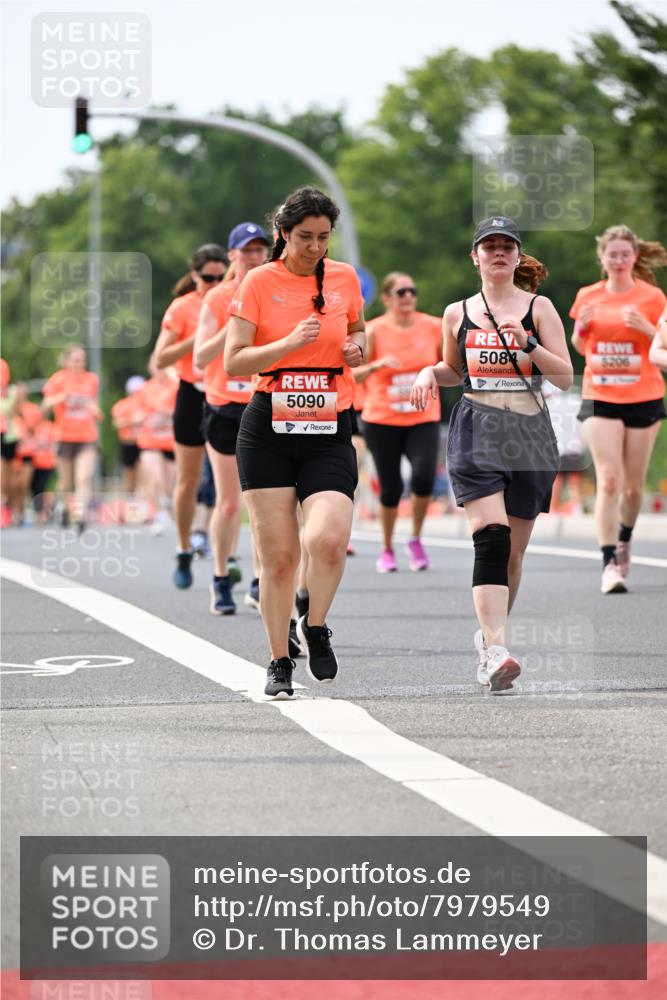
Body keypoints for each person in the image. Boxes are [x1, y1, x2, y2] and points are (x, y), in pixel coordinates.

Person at [411, 217, 572, 694]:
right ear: (475, 257)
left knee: (515, 556)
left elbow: (563, 376)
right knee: (492, 539)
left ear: (518, 256)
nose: (498, 253)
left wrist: (529, 344)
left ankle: (488, 641)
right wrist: (426, 373)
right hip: (477, 427)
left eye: (507, 246)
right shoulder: (456, 312)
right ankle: (499, 650)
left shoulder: (539, 308)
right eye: (489, 246)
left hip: (528, 432)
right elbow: (452, 369)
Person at [224, 186, 365, 699]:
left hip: (330, 421)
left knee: (327, 540)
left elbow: (360, 331)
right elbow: (234, 361)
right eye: (305, 237)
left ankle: (317, 623)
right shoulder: (260, 282)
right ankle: (278, 661)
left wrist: (356, 348)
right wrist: (287, 345)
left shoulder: (345, 277)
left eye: (324, 237)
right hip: (269, 427)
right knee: (277, 557)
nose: (315, 247)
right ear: (283, 233)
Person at [570, 225, 667, 594]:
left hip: (643, 395)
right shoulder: (587, 296)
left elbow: (664, 345)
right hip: (600, 396)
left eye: (625, 254)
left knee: (632, 488)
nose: (619, 260)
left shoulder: (654, 297)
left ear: (635, 257)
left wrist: (646, 328)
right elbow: (580, 345)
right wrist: (581, 329)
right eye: (613, 254)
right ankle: (609, 562)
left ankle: (625, 538)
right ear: (602, 258)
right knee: (608, 480)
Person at [194, 221, 270, 615]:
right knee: (228, 503)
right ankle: (221, 577)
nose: (254, 256)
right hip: (224, 405)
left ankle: (260, 580)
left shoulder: (276, 289)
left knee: (265, 502)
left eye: (260, 249)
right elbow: (199, 358)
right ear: (232, 256)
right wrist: (235, 327)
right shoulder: (218, 297)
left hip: (264, 402)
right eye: (247, 250)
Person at [152, 244, 228, 588]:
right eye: (207, 278)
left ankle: (228, 555)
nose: (213, 284)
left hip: (228, 395)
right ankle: (183, 547)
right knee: (189, 479)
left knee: (239, 482)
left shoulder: (235, 297)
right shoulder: (183, 307)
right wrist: (196, 340)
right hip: (193, 394)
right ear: (194, 275)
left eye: (219, 276)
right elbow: (161, 358)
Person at [355, 273, 442, 573]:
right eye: (401, 292)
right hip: (382, 418)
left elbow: (449, 365)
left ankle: (415, 539)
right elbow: (353, 374)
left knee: (423, 479)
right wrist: (377, 364)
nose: (408, 297)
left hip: (422, 416)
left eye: (412, 291)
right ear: (387, 298)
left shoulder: (433, 326)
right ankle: (387, 547)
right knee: (390, 488)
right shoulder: (374, 330)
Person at [42, 345, 102, 531]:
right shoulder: (58, 379)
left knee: (83, 477)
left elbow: (94, 406)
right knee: (65, 481)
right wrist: (61, 398)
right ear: (67, 361)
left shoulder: (92, 379)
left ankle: (80, 515)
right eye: (76, 360)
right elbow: (44, 407)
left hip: (87, 436)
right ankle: (64, 507)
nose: (80, 364)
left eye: (83, 359)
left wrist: (96, 411)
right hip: (64, 436)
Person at [135, 363, 178, 532]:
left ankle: (167, 509)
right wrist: (145, 416)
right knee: (156, 477)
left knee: (168, 483)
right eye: (156, 366)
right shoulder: (144, 389)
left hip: (170, 441)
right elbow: (136, 412)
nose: (159, 369)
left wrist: (167, 413)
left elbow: (183, 411)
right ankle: (160, 513)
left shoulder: (175, 387)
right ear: (150, 368)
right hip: (149, 441)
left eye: (162, 365)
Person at [111, 375, 146, 498]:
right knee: (129, 476)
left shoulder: (147, 404)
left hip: (144, 444)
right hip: (128, 443)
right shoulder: (122, 405)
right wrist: (132, 420)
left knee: (144, 475)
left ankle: (143, 503)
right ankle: (129, 503)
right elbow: (116, 423)